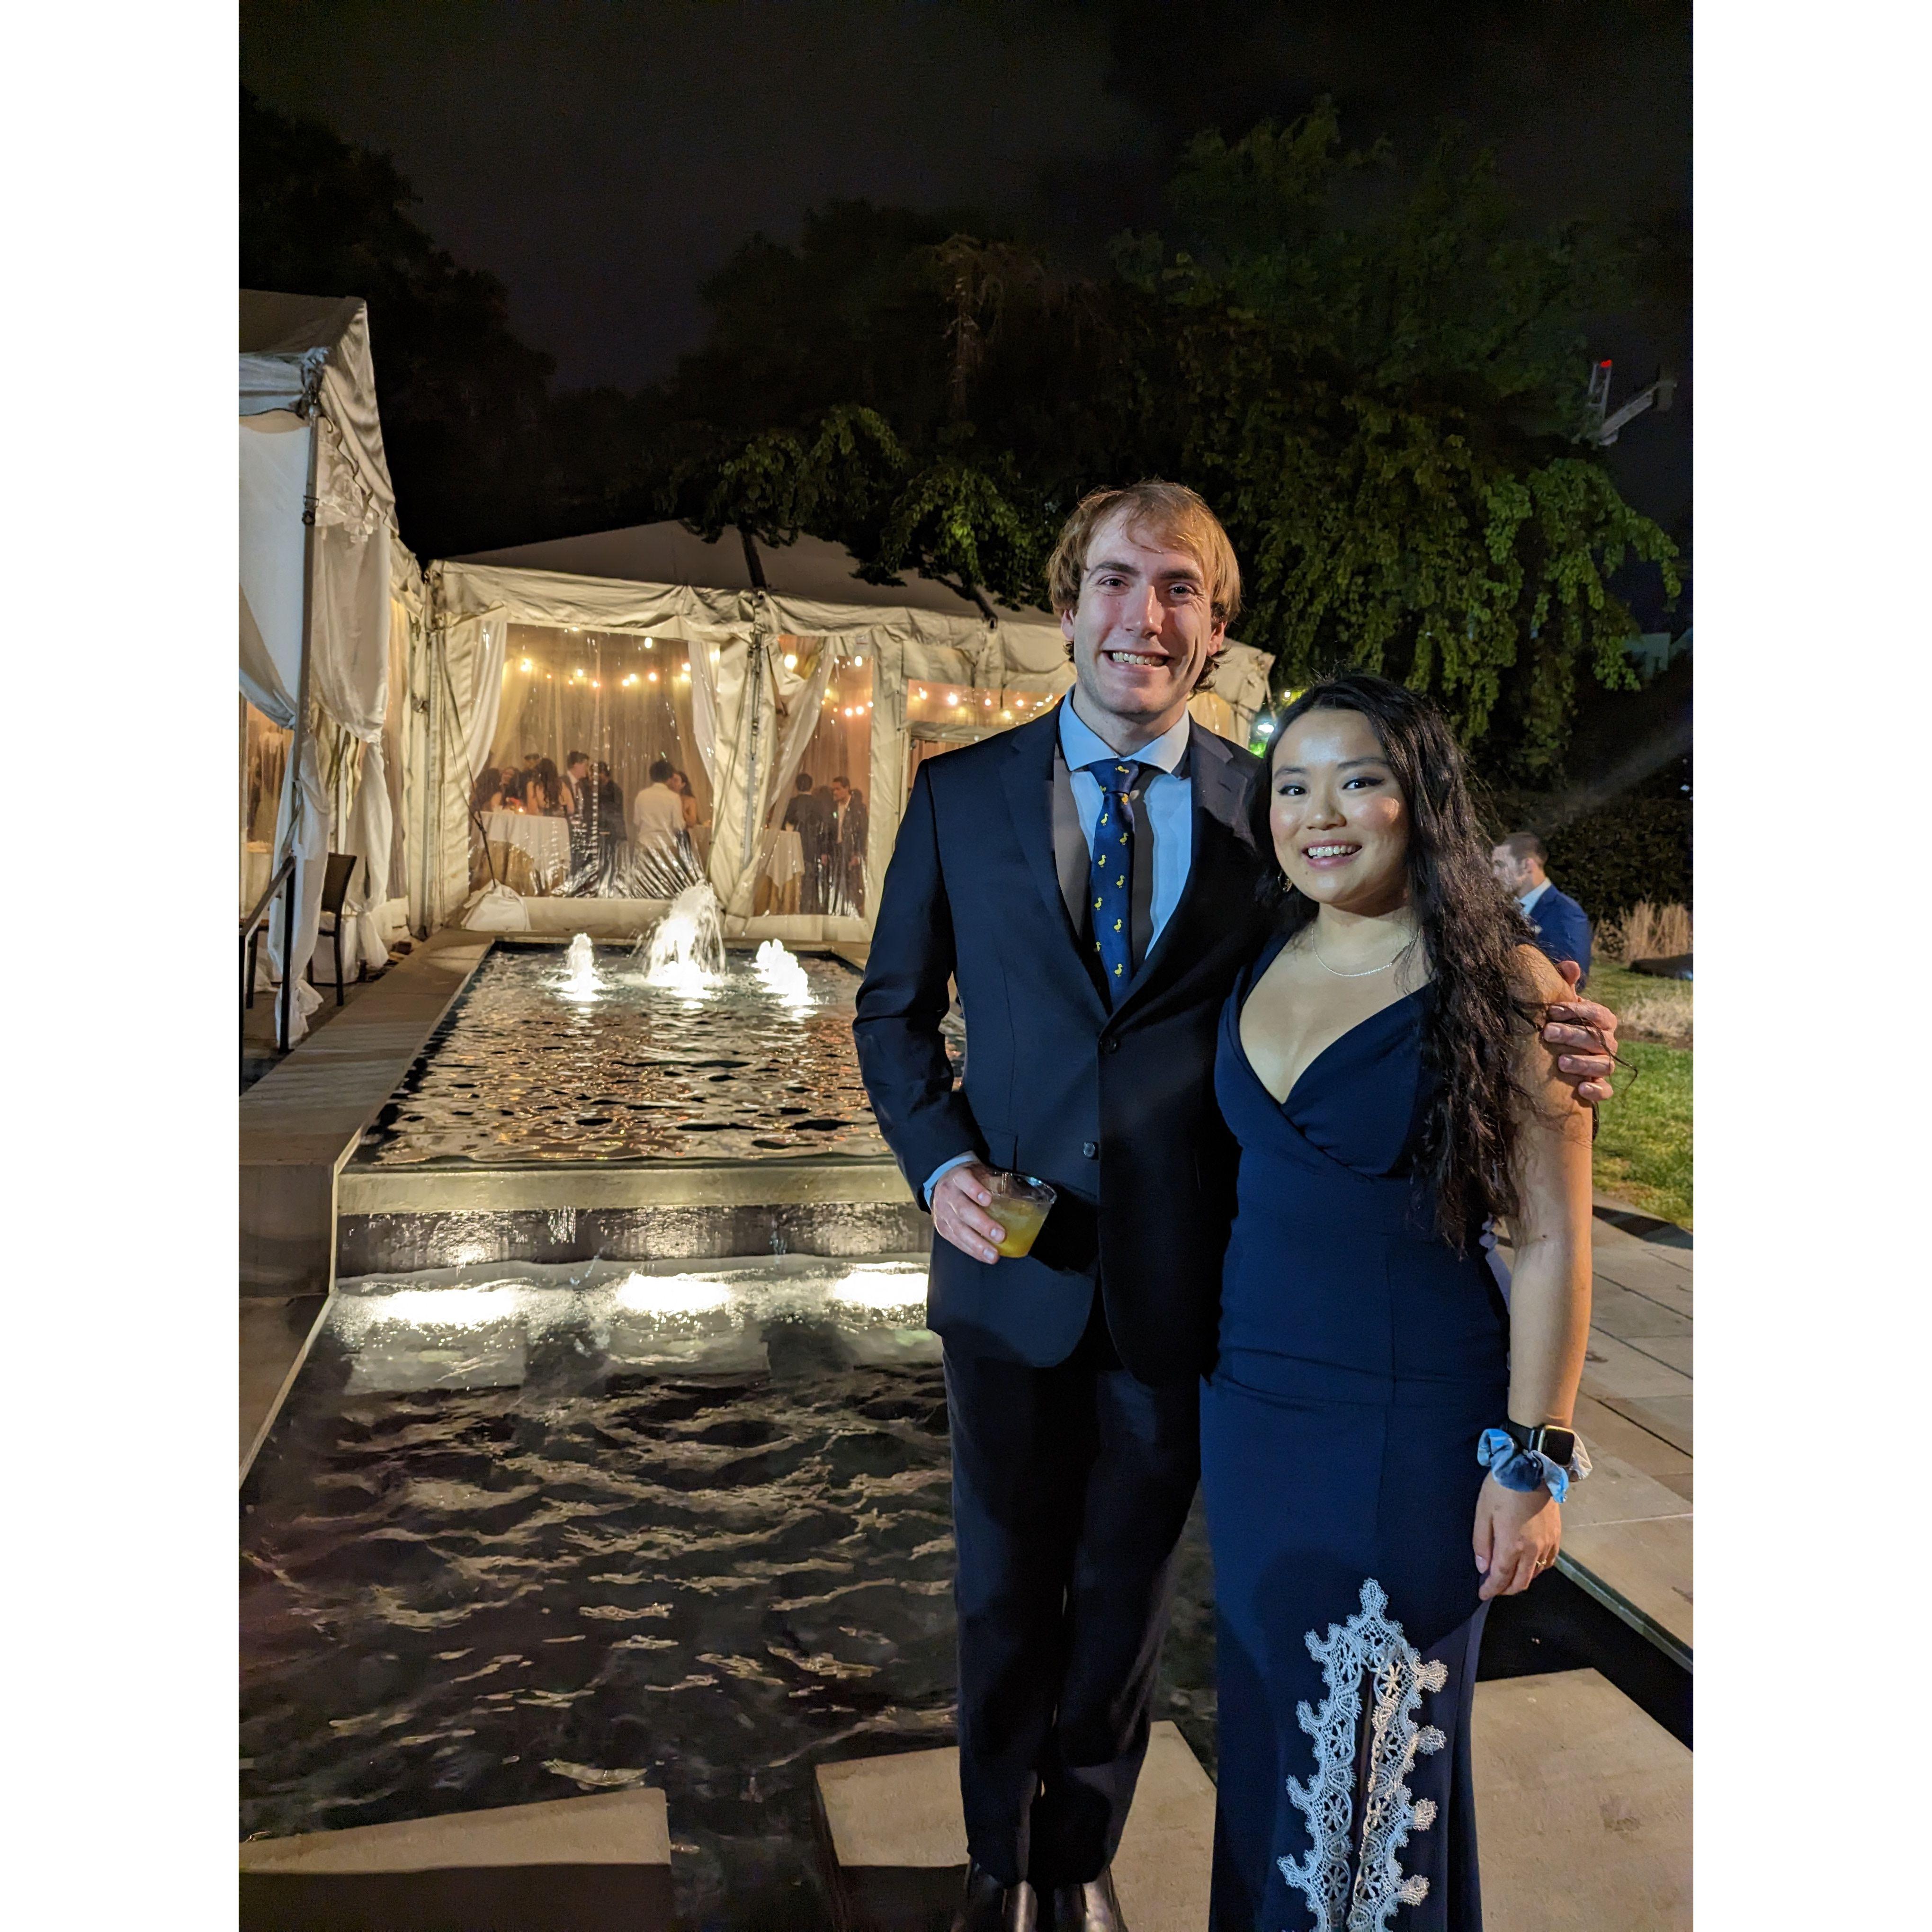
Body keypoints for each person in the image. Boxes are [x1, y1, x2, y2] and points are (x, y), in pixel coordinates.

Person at [853, 482, 1621, 1932]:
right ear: (1067, 599)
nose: (1142, 615)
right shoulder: (958, 792)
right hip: (1008, 1275)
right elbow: (891, 1013)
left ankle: (1077, 1853)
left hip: (1193, 1297)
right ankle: (993, 1860)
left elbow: (1417, 961)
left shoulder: (1264, 812)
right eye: (1114, 581)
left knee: (1132, 1602)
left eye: (1178, 591)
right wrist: (941, 1164)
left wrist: (1556, 1027)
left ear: (1216, 630)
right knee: (1001, 1585)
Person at [1206, 675, 1594, 1930]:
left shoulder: (1503, 980)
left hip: (1411, 1429)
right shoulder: (1267, 942)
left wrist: (1533, 1464)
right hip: (1256, 1420)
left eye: (1359, 779)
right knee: (1278, 1753)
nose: (1323, 813)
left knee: (1374, 1787)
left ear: (1419, 797)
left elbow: (1547, 1243)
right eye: (1295, 785)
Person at [1489, 832, 1592, 988]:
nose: (1494, 874)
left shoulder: (1566, 913)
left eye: (1501, 865)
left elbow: (1574, 982)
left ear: (1526, 866)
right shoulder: (1509, 910)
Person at [630, 757, 686, 894]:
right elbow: (679, 825)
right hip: (666, 846)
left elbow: (637, 821)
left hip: (645, 844)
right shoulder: (674, 798)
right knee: (665, 887)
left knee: (644, 886)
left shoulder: (642, 796)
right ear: (669, 778)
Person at [782, 770, 830, 914]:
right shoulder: (818, 804)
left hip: (791, 851)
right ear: (811, 785)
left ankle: (791, 910)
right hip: (812, 850)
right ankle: (805, 911)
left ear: (797, 786)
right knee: (809, 884)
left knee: (791, 882)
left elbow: (783, 827)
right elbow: (824, 830)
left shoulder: (791, 804)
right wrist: (824, 851)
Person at [828, 775, 868, 914]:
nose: (835, 792)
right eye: (833, 789)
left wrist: (858, 854)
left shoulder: (858, 808)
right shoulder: (833, 807)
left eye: (838, 789)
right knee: (836, 881)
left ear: (847, 789)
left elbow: (863, 833)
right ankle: (839, 910)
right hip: (836, 850)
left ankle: (854, 911)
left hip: (851, 851)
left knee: (853, 881)